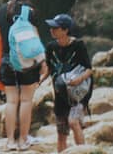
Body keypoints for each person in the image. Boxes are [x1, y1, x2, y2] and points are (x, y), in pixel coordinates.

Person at [0, 0, 47, 151]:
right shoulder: (30, 12)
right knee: (26, 100)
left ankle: (10, 142)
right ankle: (23, 140)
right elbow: (35, 39)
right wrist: (43, 62)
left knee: (11, 102)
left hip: (7, 60)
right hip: (27, 61)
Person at [43, 13, 92, 151]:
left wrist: (78, 80)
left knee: (73, 122)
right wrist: (38, 81)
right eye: (51, 27)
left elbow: (89, 69)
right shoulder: (51, 47)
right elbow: (48, 68)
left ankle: (83, 151)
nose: (51, 30)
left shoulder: (78, 45)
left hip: (78, 93)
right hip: (60, 93)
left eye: (55, 28)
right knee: (61, 132)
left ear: (65, 30)